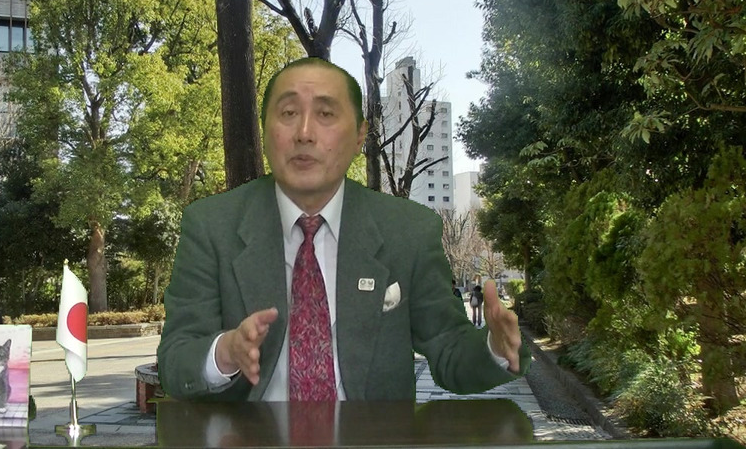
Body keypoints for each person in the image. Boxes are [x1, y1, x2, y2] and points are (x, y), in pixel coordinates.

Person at [158, 57, 529, 402]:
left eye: (325, 114)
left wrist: (494, 348)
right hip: (250, 438)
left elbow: (449, 348)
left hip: (371, 438)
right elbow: (176, 360)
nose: (304, 133)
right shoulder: (211, 225)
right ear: (265, 130)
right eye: (288, 113)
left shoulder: (408, 231)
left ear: (359, 137)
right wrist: (224, 353)